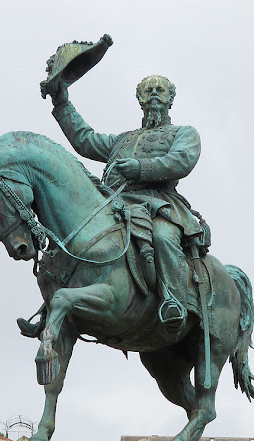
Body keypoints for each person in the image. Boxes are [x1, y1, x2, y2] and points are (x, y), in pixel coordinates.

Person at [46, 75, 203, 332]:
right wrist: (62, 102)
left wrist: (140, 168)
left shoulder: (183, 133)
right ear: (140, 99)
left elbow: (182, 161)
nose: (154, 93)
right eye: (148, 90)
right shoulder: (122, 140)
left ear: (170, 99)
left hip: (159, 204)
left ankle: (174, 300)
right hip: (116, 205)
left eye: (160, 90)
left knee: (162, 237)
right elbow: (85, 139)